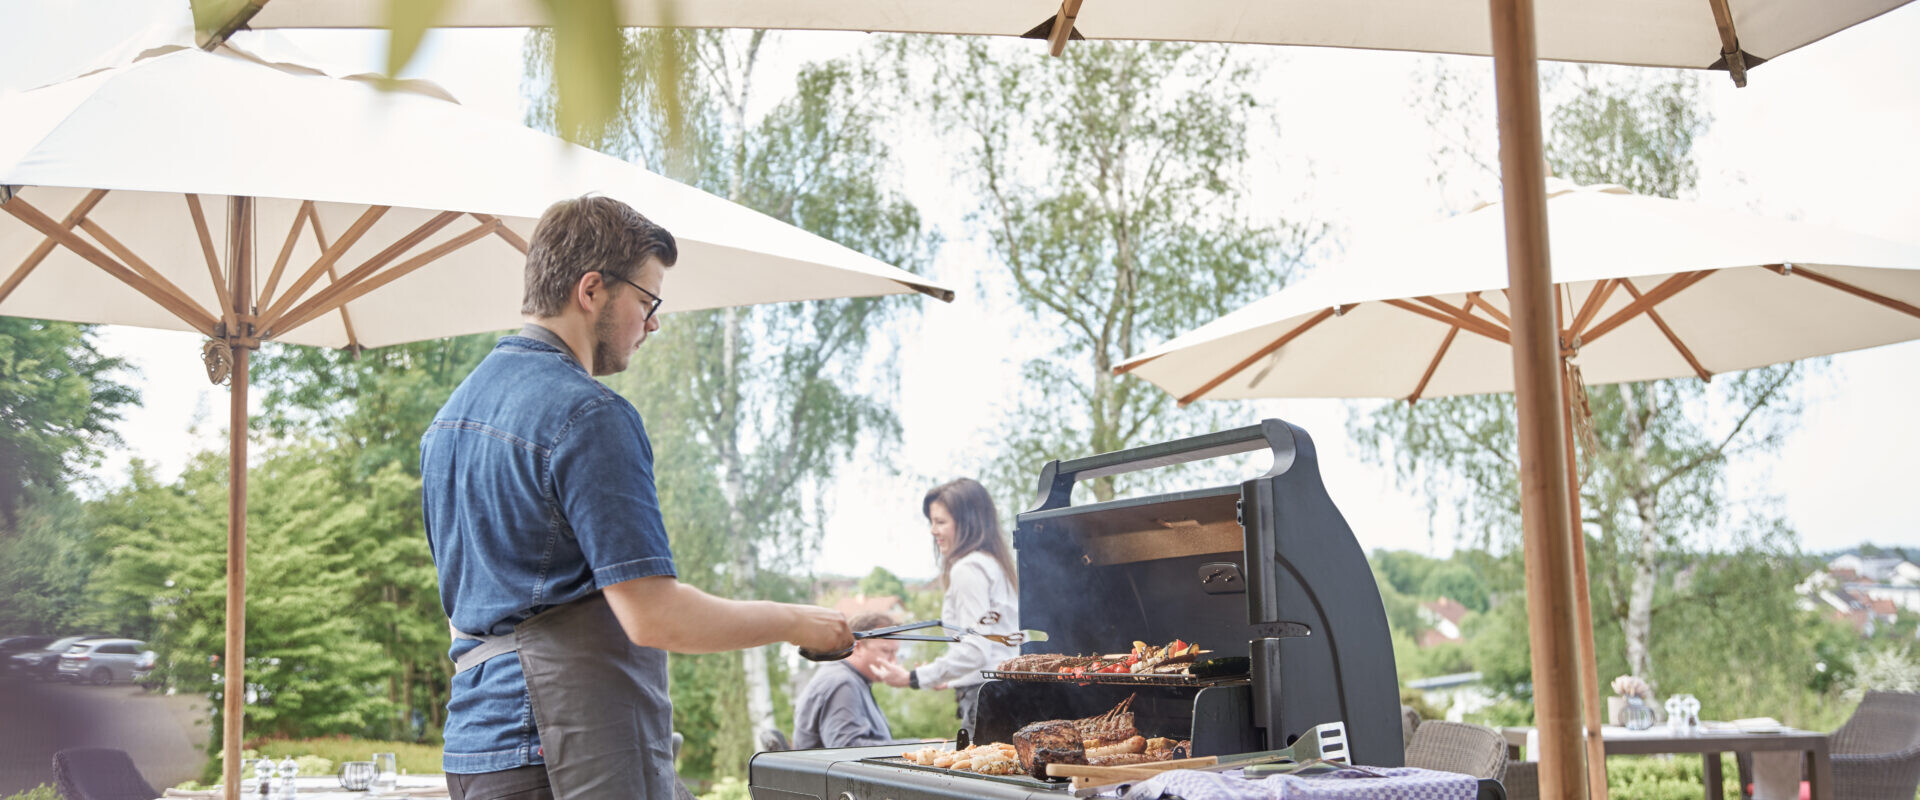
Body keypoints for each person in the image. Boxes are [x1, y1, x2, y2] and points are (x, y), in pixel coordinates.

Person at [421, 195, 854, 800]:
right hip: (561, 756)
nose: (652, 324)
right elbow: (653, 614)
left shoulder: (447, 422)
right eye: (647, 301)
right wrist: (795, 621)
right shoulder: (590, 413)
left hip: (476, 747)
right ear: (592, 290)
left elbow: (472, 602)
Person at [878, 478, 1019, 730]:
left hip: (986, 699)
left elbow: (976, 650)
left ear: (967, 524)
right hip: (1006, 694)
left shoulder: (968, 569)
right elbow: (994, 649)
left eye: (940, 522)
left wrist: (912, 677)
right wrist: (950, 677)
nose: (933, 531)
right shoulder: (994, 564)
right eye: (931, 522)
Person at [791, 613, 919, 749]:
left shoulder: (853, 678)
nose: (893, 661)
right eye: (886, 651)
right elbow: (847, 747)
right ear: (857, 647)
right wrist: (918, 747)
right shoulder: (842, 683)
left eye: (895, 653)